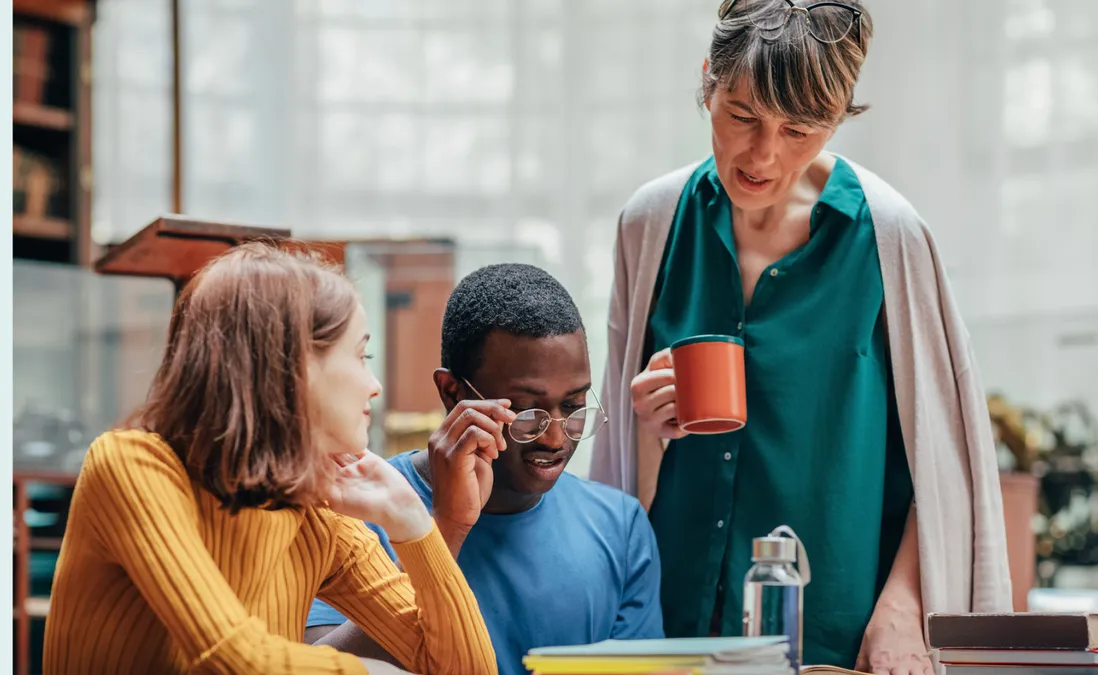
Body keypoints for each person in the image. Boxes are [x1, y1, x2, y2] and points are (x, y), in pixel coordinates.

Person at [588, 1, 1012, 673]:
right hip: (665, 633)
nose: (764, 154)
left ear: (839, 117)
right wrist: (643, 426)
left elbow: (944, 463)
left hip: (832, 642)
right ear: (707, 83)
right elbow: (609, 462)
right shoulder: (651, 225)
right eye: (742, 116)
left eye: (800, 129)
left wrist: (903, 605)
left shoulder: (890, 238)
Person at [43, 243, 497, 675]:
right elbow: (230, 659)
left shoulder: (318, 512)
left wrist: (411, 520)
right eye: (361, 355)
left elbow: (465, 668)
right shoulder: (133, 465)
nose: (373, 384)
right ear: (291, 367)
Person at [304, 263, 664, 675]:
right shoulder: (354, 507)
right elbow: (319, 665)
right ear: (452, 392)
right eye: (527, 411)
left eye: (572, 406)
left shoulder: (618, 526)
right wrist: (445, 530)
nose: (554, 438)